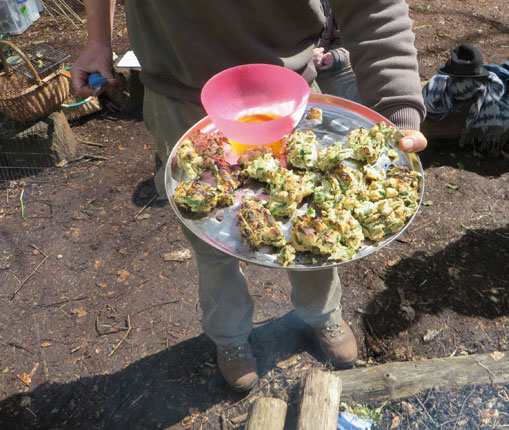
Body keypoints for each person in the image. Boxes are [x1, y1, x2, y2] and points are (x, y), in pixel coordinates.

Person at [72, 0, 428, 392]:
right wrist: (98, 40)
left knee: (317, 218)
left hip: (285, 95)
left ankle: (321, 313)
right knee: (210, 238)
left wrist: (396, 109)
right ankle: (231, 338)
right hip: (180, 96)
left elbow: (372, 6)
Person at [312, 0, 360, 103]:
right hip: (293, 70)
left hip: (328, 66)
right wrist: (305, 58)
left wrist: (337, 55)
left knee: (359, 90)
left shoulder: (334, 4)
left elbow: (351, 39)